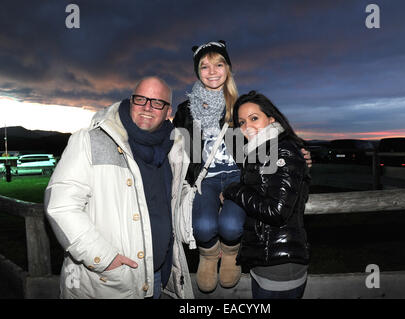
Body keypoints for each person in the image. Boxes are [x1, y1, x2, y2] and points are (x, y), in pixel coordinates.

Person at [173, 40, 312, 293]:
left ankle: (230, 255)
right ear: (197, 71)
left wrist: (298, 155)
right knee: (203, 227)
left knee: (232, 226)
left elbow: (265, 138)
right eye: (204, 66)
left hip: (239, 176)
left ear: (228, 68)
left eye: (219, 64)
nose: (212, 71)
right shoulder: (185, 110)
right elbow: (177, 148)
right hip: (205, 178)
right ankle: (208, 255)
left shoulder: (238, 106)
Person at [44, 76, 193, 299]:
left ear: (167, 110)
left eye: (157, 102)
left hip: (158, 278)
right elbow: (60, 206)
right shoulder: (91, 141)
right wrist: (104, 259)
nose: (147, 107)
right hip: (111, 282)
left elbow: (173, 197)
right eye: (141, 99)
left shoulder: (174, 148)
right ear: (131, 101)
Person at [222, 91, 311, 299]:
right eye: (242, 122)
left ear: (271, 119)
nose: (248, 127)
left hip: (279, 265)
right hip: (266, 260)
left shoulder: (282, 151)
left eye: (254, 118)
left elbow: (276, 211)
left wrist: (232, 190)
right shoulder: (259, 153)